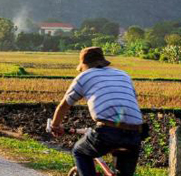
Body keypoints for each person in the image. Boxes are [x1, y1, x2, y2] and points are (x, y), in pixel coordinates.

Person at [48, 47, 145, 176]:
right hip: (135, 133)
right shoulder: (123, 75)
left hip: (108, 132)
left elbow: (64, 106)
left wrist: (55, 126)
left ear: (84, 65)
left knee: (79, 151)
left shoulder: (84, 76)